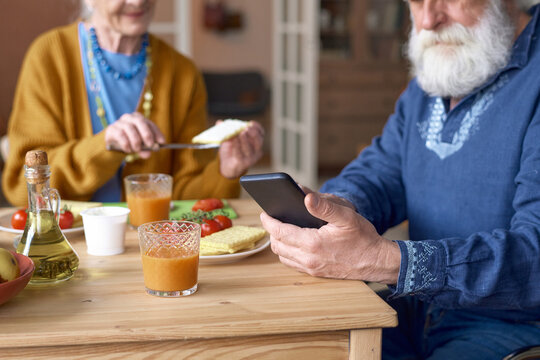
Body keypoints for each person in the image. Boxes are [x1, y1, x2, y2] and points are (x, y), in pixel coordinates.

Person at [261, 0, 540, 359]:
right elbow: (382, 172)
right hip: (418, 309)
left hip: (512, 329)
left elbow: (533, 256)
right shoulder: (449, 64)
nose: (428, 20)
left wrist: (387, 261)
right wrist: (336, 209)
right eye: (416, 1)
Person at [2, 0, 264, 206]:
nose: (139, 1)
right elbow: (23, 186)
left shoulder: (182, 72)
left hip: (153, 246)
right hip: (70, 246)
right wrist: (103, 147)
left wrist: (225, 171)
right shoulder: (48, 56)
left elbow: (185, 197)